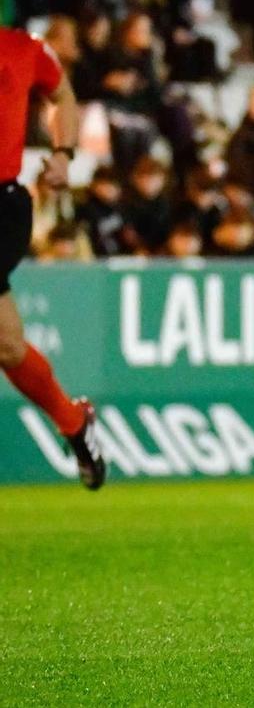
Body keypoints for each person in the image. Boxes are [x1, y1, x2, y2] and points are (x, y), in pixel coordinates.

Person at [0, 27, 105, 489]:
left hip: (1, 204)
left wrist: (63, 153)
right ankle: (73, 421)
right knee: (7, 344)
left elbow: (62, 95)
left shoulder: (23, 47)